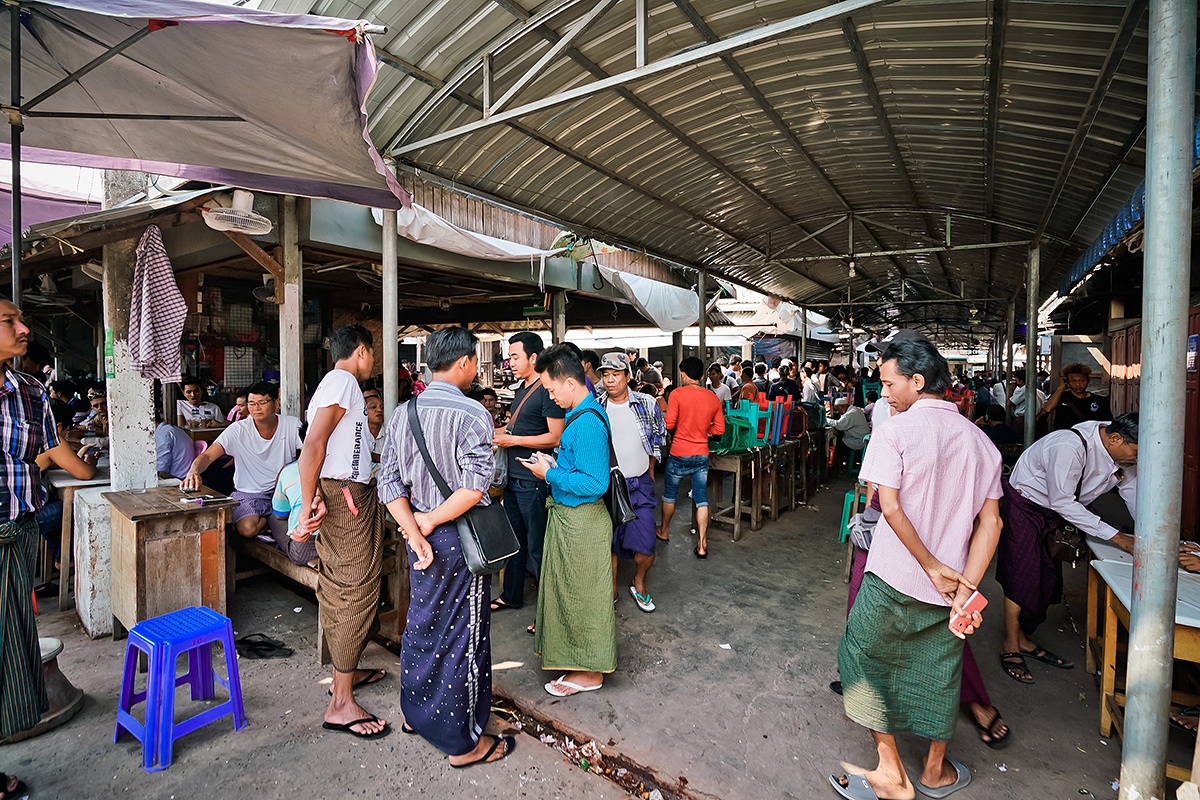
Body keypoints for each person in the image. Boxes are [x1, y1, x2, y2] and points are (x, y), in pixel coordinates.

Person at [832, 336, 1003, 799]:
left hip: (892, 576)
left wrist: (930, 565)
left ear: (917, 381)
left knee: (861, 658)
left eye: (888, 384)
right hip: (951, 593)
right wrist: (965, 585)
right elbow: (991, 522)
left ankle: (891, 772)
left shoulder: (895, 431)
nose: (884, 394)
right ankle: (933, 772)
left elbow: (887, 506)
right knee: (940, 673)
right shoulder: (982, 443)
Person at [376, 327, 514, 768]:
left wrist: (415, 532)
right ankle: (463, 744)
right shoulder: (473, 413)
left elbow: (388, 482)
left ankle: (418, 714)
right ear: (463, 363)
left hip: (417, 531)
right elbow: (476, 487)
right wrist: (431, 522)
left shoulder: (403, 413)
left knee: (422, 623)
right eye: (474, 360)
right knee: (463, 636)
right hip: (456, 536)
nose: (474, 367)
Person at [296, 324, 389, 739]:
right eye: (373, 354)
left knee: (349, 584)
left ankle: (344, 675)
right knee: (353, 587)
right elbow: (312, 448)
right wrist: (305, 503)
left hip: (342, 492)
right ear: (363, 352)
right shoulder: (343, 381)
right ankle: (341, 703)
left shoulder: (334, 385)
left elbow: (328, 450)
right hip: (347, 497)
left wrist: (315, 494)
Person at [996, 413, 1138, 684]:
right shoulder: (1070, 447)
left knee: (1047, 579)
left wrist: (1145, 537)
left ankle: (1024, 639)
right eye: (1135, 452)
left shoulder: (1123, 454)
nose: (1137, 460)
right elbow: (1062, 500)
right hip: (1026, 505)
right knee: (1021, 573)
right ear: (1116, 438)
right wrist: (1117, 538)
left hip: (1056, 510)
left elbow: (1132, 493)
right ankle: (1011, 644)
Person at [522, 343, 616, 696]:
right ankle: (578, 663)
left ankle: (590, 673)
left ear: (571, 384)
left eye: (550, 389)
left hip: (583, 523)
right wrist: (553, 466)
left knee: (583, 599)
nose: (550, 395)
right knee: (573, 596)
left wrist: (550, 475)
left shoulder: (587, 422)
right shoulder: (581, 416)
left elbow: (595, 482)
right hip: (571, 520)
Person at [0, 300, 60, 773]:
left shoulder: (30, 392)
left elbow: (43, 455)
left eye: (21, 320)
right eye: (8, 322)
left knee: (14, 642)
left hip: (15, 528)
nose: (23, 329)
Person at [491, 331, 564, 612]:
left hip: (533, 480)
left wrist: (513, 441)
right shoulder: (521, 389)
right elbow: (513, 429)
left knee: (537, 546)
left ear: (533, 358)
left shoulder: (546, 390)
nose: (509, 362)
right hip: (512, 478)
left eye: (514, 356)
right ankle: (511, 595)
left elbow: (555, 437)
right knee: (514, 542)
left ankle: (549, 613)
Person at [183, 381, 302, 540]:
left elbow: (309, 453)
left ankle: (276, 517)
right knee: (246, 529)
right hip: (250, 495)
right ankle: (273, 519)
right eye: (251, 404)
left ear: (276, 403)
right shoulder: (238, 430)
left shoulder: (292, 424)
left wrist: (288, 469)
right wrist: (194, 470)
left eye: (262, 403)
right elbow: (207, 456)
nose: (256, 408)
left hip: (283, 492)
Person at [597, 353, 665, 612]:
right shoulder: (597, 407)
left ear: (627, 376)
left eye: (616, 374)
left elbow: (659, 435)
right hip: (608, 486)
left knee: (647, 544)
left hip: (639, 485)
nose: (610, 380)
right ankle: (612, 589)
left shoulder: (646, 403)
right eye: (605, 375)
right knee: (609, 542)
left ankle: (639, 580)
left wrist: (650, 467)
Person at [659, 357, 725, 557]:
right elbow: (720, 429)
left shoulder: (677, 394)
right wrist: (704, 428)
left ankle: (664, 531)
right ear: (703, 376)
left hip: (679, 452)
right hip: (701, 455)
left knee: (670, 495)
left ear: (683, 375)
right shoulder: (712, 397)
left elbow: (669, 424)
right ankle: (702, 544)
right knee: (701, 498)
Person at [35, 399, 99, 570]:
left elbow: (47, 462)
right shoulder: (51, 437)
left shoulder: (30, 434)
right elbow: (86, 474)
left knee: (55, 504)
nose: (67, 434)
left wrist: (74, 458)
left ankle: (60, 558)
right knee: (71, 508)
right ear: (58, 426)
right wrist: (90, 462)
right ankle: (67, 559)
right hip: (24, 520)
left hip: (11, 515)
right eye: (67, 430)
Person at [270, 461, 319, 568]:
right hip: (340, 543)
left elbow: (280, 514)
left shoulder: (288, 470)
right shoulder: (339, 468)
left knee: (273, 518)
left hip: (305, 550)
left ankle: (289, 543)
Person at [1041, 362, 1112, 432]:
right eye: (1073, 381)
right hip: (1064, 439)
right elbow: (1047, 409)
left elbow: (1107, 424)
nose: (1078, 384)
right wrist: (1061, 388)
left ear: (1088, 380)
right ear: (1067, 381)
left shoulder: (1100, 401)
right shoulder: (1060, 397)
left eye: (1082, 381)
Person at [154, 410, 196, 480]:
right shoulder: (171, 429)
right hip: (187, 473)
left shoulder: (162, 433)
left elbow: (162, 465)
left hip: (179, 477)